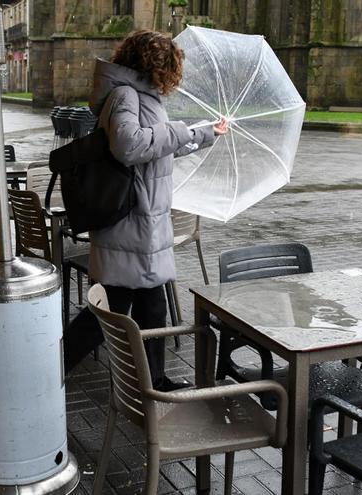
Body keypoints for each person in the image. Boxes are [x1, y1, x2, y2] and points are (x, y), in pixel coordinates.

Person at [86, 29, 227, 391]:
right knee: (105, 317)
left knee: (151, 309)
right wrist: (179, 132)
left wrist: (204, 133)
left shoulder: (141, 96)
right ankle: (51, 368)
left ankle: (154, 381)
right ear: (155, 66)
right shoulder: (125, 95)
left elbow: (158, 147)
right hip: (130, 225)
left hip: (145, 226)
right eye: (168, 67)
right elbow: (130, 147)